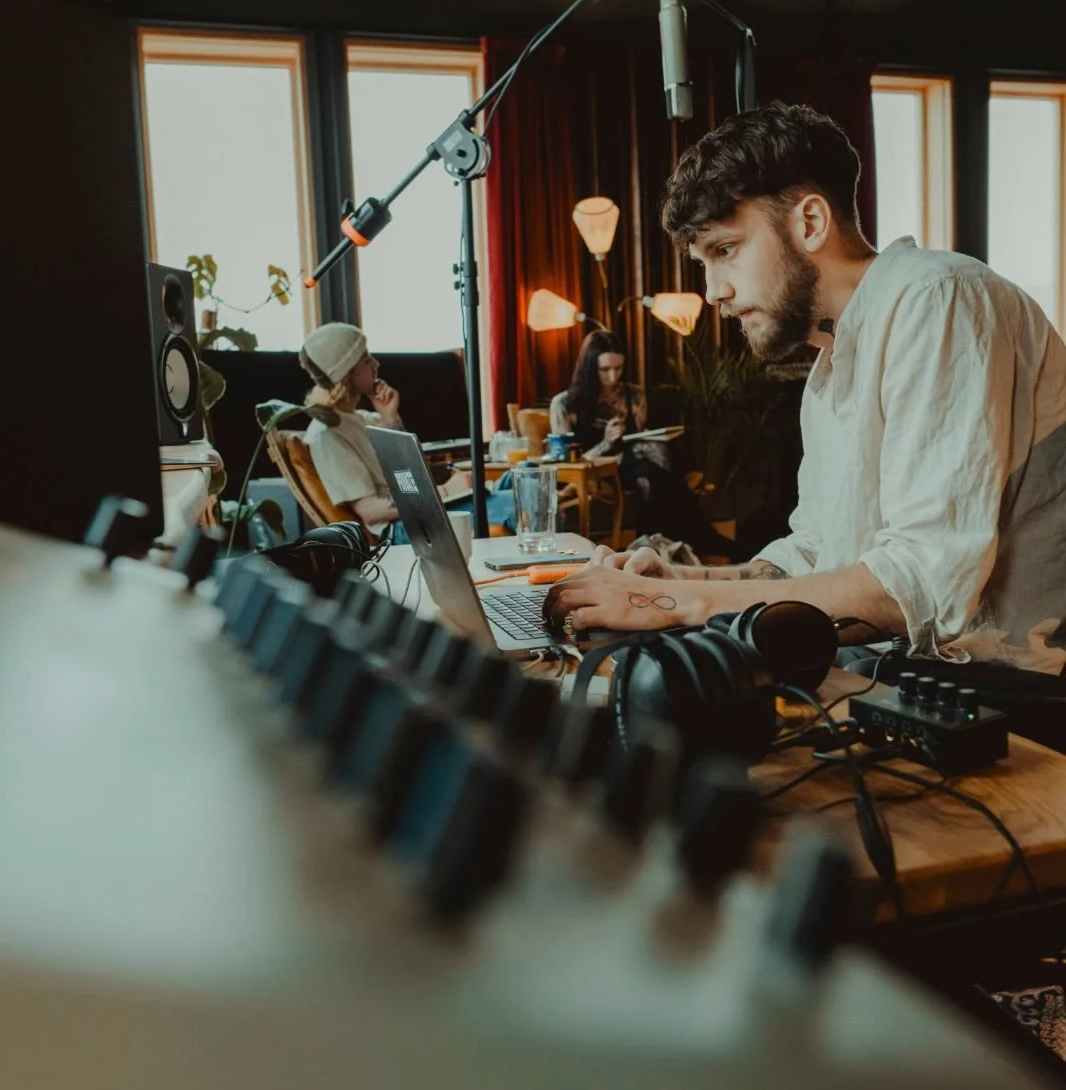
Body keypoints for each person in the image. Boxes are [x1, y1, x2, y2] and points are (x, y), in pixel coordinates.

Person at [545, 101, 1066, 682]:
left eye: (725, 250)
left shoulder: (938, 298)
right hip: (902, 668)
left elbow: (918, 584)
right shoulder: (831, 369)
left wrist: (676, 605)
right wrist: (678, 580)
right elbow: (815, 554)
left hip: (1004, 683)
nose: (713, 292)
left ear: (811, 222)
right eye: (702, 262)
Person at [299, 322, 515, 541]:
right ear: (345, 374)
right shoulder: (327, 435)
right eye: (365, 359)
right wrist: (447, 492)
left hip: (425, 510)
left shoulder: (368, 419)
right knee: (523, 502)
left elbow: (413, 478)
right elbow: (371, 512)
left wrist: (392, 419)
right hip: (405, 527)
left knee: (525, 477)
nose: (376, 363)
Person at [549, 329, 739, 557]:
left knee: (650, 471)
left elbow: (640, 440)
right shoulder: (564, 405)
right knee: (651, 475)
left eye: (618, 368)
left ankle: (653, 549)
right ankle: (691, 541)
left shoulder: (634, 396)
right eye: (605, 370)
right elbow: (566, 464)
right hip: (599, 472)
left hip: (636, 466)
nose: (613, 376)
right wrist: (606, 443)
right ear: (589, 368)